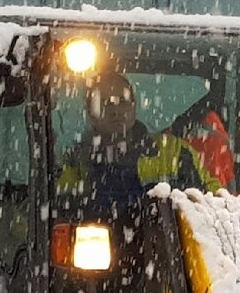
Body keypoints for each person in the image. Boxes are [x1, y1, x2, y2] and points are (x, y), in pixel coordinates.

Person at [57, 71, 222, 207]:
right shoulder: (74, 163)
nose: (115, 111)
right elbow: (59, 212)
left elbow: (214, 201)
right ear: (90, 113)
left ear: (134, 107)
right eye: (105, 103)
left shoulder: (174, 151)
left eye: (123, 102)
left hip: (165, 243)